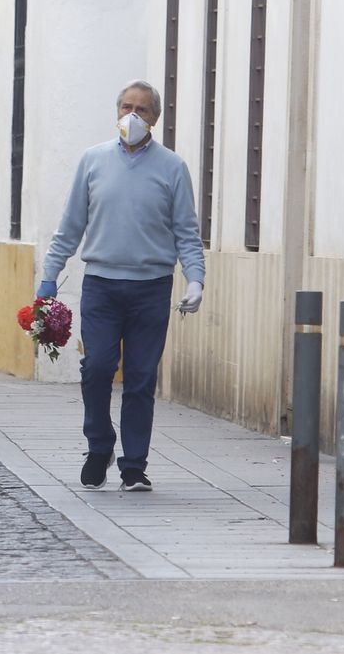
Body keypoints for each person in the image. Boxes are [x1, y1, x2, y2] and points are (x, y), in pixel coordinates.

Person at [36, 80, 205, 492]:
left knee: (141, 378)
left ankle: (134, 466)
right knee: (96, 368)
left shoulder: (172, 168)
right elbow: (70, 225)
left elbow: (186, 230)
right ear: (116, 112)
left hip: (151, 288)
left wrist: (195, 278)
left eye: (142, 109)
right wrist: (49, 277)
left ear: (155, 119)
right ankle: (99, 445)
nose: (133, 116)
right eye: (127, 107)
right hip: (102, 286)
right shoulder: (92, 162)